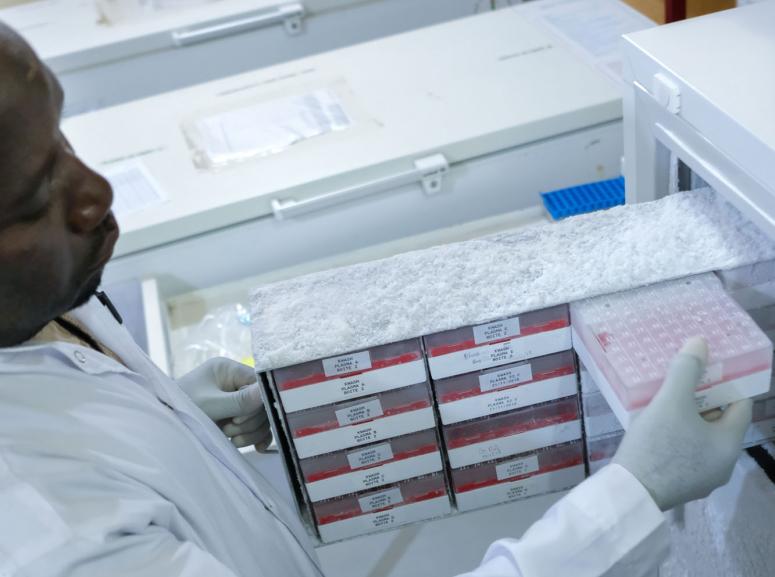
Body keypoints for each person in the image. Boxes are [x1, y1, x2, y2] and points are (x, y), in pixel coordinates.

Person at [0, 22, 753, 577]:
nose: (95, 190)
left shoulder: (30, 302)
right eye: (37, 196)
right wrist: (633, 494)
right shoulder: (44, 535)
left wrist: (169, 418)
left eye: (65, 140)